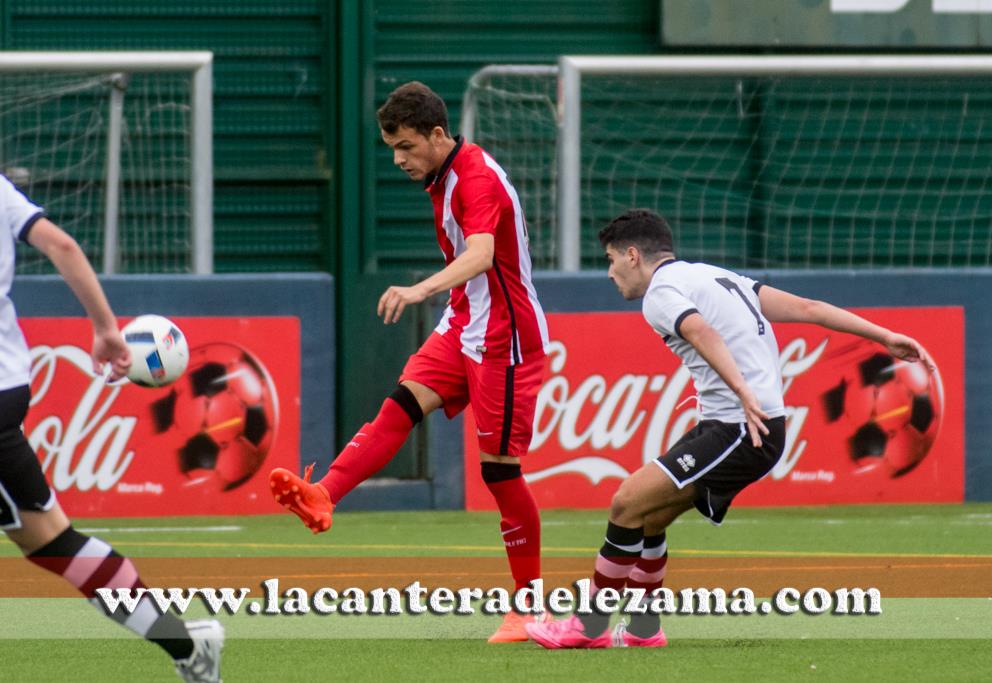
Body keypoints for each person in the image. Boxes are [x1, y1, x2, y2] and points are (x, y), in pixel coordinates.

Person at [526, 209, 933, 648]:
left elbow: (700, 331)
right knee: (650, 516)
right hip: (745, 425)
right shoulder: (714, 276)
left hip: (742, 426)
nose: (609, 272)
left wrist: (742, 391)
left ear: (632, 255)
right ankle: (644, 629)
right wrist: (883, 335)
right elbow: (809, 308)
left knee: (626, 501)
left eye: (609, 259)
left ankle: (588, 626)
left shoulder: (661, 292)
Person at [270, 81, 550, 642]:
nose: (397, 159)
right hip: (464, 321)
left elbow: (482, 254)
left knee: (498, 473)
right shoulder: (441, 175)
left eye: (403, 145)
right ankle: (325, 494)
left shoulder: (475, 177)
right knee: (397, 407)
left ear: (437, 135)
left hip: (505, 337)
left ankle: (531, 608)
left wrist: (421, 290)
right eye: (390, 147)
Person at [0, 164, 222, 681]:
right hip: (0, 383)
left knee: (49, 540)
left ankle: (185, 646)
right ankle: (186, 646)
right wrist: (106, 329)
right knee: (49, 543)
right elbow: (62, 246)